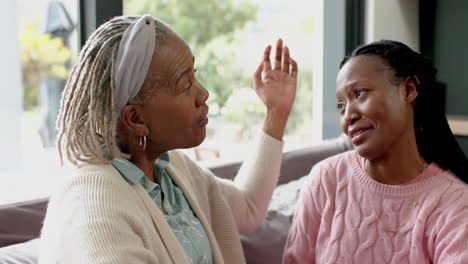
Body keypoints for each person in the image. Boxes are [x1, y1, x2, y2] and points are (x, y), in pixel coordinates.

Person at [38, 15, 298, 263]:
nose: (203, 94)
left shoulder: (170, 169)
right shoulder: (93, 204)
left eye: (194, 75)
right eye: (185, 85)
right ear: (136, 119)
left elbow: (248, 206)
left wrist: (276, 113)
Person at [283, 40, 468, 263]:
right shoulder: (326, 178)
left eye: (359, 93)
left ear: (408, 90)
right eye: (341, 105)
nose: (348, 116)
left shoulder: (457, 204)